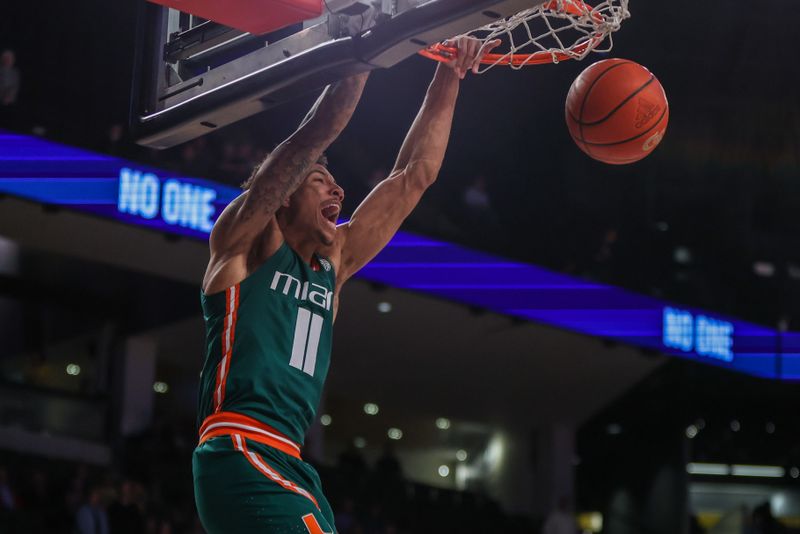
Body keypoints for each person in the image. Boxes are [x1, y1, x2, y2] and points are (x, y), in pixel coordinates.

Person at [192, 35, 500, 533]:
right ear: (285, 196)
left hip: (289, 460)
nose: (337, 188)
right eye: (320, 180)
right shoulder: (244, 244)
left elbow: (413, 175)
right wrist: (367, 39)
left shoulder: (333, 265)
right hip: (239, 446)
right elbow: (316, 133)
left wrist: (449, 72)